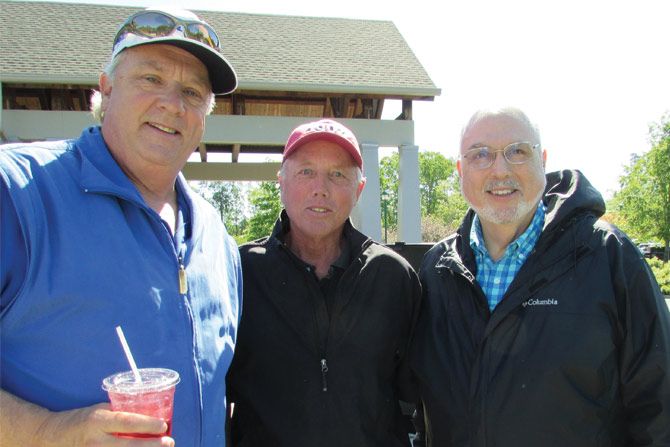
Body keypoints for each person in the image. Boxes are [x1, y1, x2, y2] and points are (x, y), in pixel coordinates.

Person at [0, 7, 242, 447]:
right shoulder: (17, 191)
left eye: (191, 91)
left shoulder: (217, 239)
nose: (172, 104)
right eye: (151, 78)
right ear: (107, 89)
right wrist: (49, 431)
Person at [410, 107, 670, 446]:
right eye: (480, 154)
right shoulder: (436, 270)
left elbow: (659, 406)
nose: (500, 170)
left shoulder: (607, 256)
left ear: (542, 162)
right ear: (461, 170)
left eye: (518, 151)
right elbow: (424, 409)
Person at [226, 118, 422, 446]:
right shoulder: (242, 272)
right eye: (306, 172)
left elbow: (418, 394)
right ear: (281, 182)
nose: (321, 188)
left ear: (359, 190)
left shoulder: (392, 276)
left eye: (338, 175)